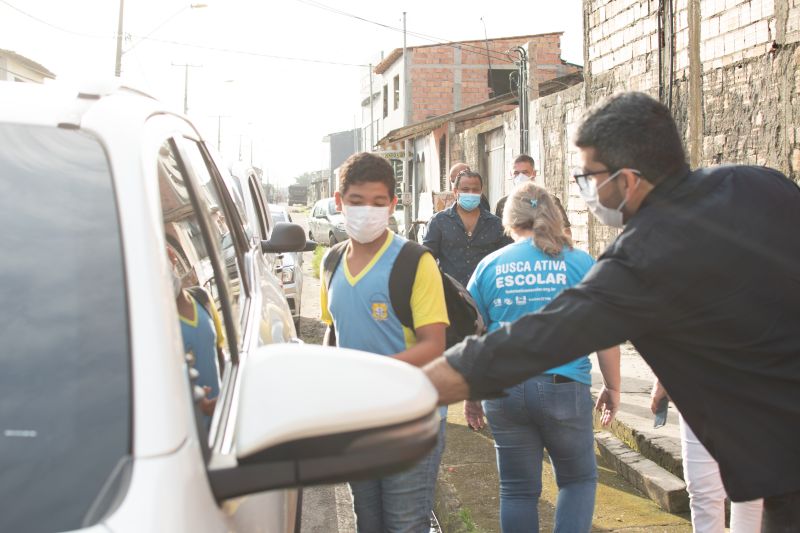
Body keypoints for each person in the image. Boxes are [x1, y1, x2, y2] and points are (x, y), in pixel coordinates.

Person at [423, 91, 800, 532]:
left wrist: (417, 387)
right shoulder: (758, 183)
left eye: (588, 179)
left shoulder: (640, 260)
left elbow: (541, 337)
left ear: (628, 180)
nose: (586, 194)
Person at [464, 181, 621, 532]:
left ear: (509, 220)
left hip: (503, 389)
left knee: (518, 491)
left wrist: (473, 395)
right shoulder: (581, 262)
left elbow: (472, 337)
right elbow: (605, 332)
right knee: (577, 481)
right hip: (564, 387)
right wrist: (613, 385)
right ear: (553, 214)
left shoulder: (489, 266)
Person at [319, 151, 450, 533]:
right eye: (356, 202)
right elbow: (334, 333)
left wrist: (370, 374)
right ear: (339, 201)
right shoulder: (331, 263)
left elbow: (433, 345)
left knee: (406, 524)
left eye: (379, 202)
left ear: (393, 204)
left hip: (411, 420)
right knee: (368, 522)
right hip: (358, 420)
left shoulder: (414, 262)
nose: (367, 211)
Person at [651, 380, 763, 532]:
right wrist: (662, 377)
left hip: (756, 379)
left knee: (750, 490)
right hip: (697, 379)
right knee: (703, 490)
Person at [423, 169, 512, 287]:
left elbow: (506, 260)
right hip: (450, 293)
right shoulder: (439, 222)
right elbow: (427, 259)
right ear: (455, 192)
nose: (470, 193)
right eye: (465, 190)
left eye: (475, 190)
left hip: (486, 292)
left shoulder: (496, 224)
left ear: (481, 192)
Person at [494, 155, 571, 237]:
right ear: (511, 174)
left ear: (534, 173)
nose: (520, 177)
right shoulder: (503, 203)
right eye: (516, 173)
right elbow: (496, 234)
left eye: (525, 172)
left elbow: (565, 231)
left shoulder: (550, 201)